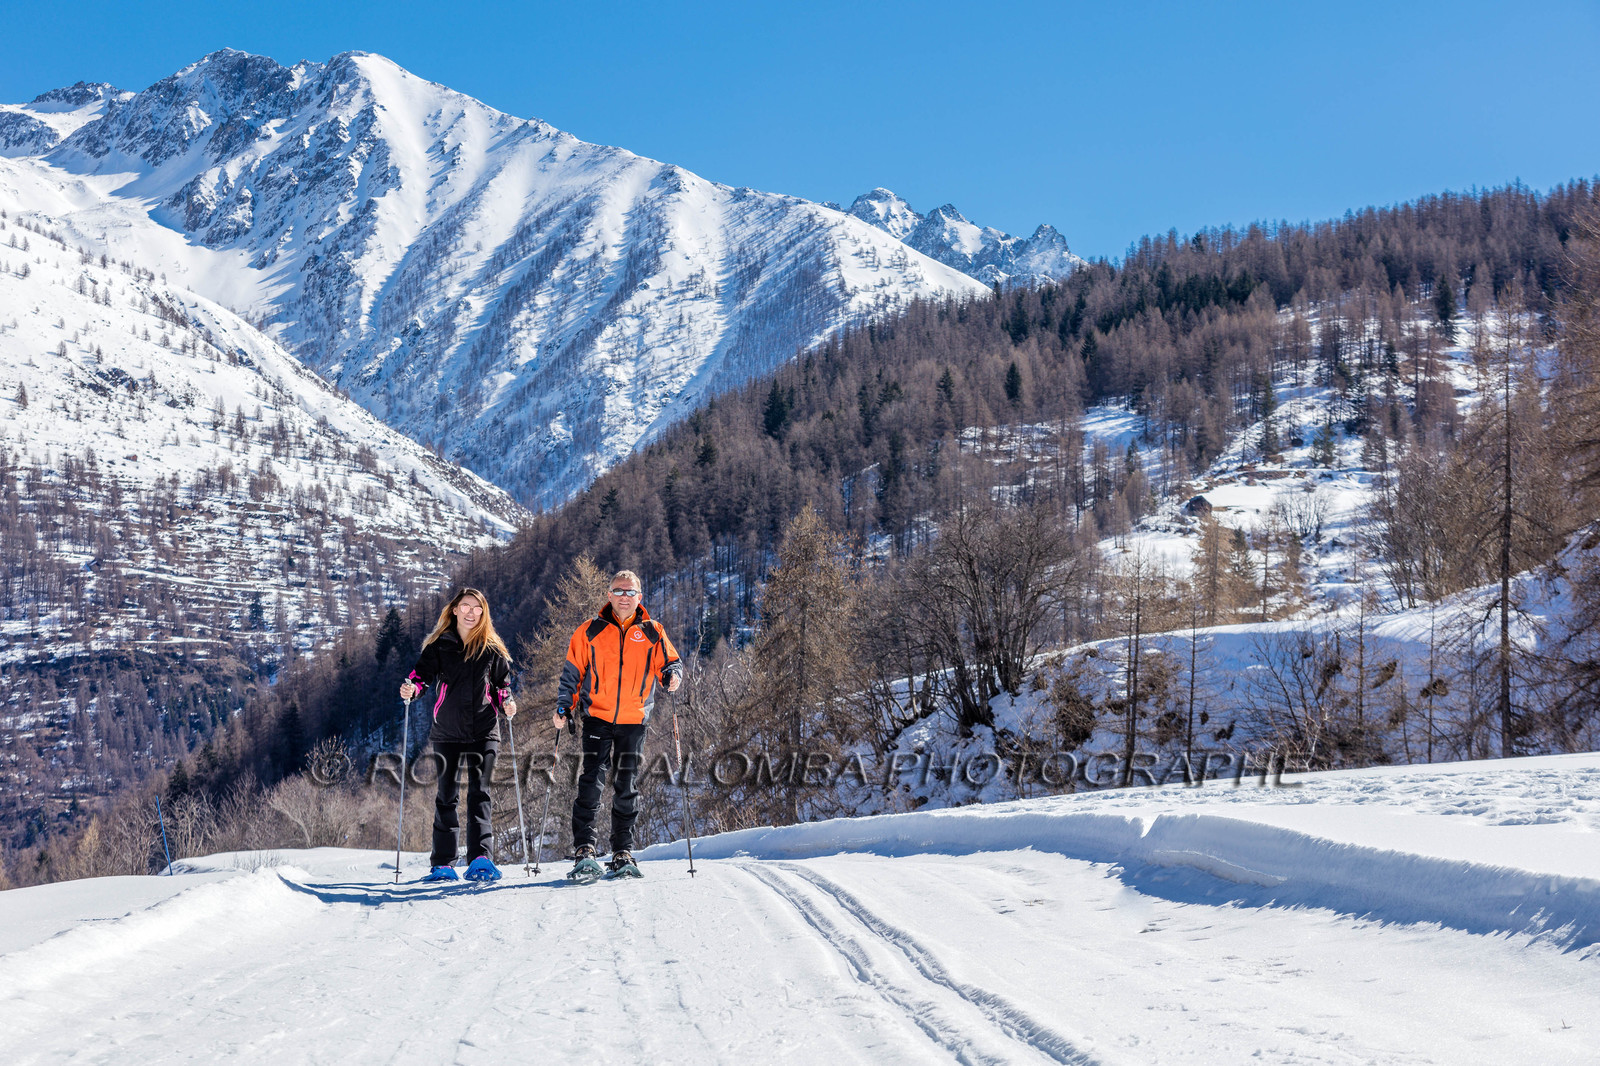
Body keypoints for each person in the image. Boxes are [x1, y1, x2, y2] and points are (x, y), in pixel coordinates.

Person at [552, 570, 681, 878]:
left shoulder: (653, 631)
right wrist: (563, 706)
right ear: (608, 595)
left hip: (635, 719)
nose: (624, 596)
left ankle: (623, 851)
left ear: (640, 597)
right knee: (592, 782)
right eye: (619, 591)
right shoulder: (589, 631)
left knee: (627, 784)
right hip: (597, 716)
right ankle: (585, 849)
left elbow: (670, 663)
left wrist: (672, 676)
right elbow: (572, 673)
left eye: (630, 592)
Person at [399, 587, 516, 882]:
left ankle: (480, 859)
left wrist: (508, 703)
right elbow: (420, 678)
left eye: (477, 607)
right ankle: (443, 864)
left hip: (485, 730)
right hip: (447, 731)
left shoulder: (492, 648)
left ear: (483, 612)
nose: (471, 612)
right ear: (454, 610)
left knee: (480, 794)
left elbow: (502, 686)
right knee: (446, 796)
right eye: (465, 606)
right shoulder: (440, 646)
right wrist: (412, 690)